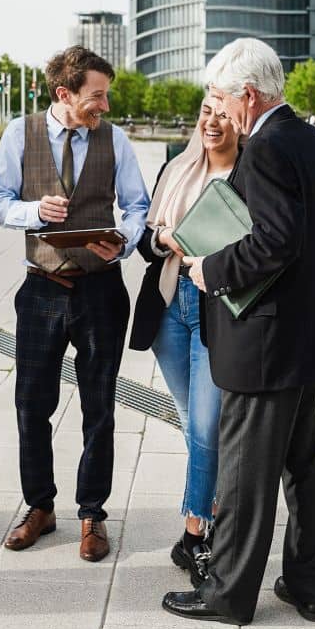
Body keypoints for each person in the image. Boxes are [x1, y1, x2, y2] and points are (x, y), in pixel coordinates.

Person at [163, 38, 315, 626]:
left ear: (249, 96)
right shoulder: (313, 140)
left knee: (245, 470)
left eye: (223, 101)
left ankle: (226, 595)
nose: (220, 112)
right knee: (302, 466)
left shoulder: (266, 147)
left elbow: (277, 241)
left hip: (266, 341)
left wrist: (210, 268)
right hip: (307, 337)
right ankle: (309, 585)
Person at [0, 46, 150, 562]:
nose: (104, 105)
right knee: (31, 405)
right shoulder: (20, 133)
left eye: (106, 95)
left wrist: (122, 239)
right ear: (65, 93)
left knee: (99, 407)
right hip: (41, 290)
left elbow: (137, 204)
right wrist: (35, 210)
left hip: (101, 290)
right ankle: (40, 506)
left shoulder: (115, 139)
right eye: (96, 96)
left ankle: (92, 514)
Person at [132, 93, 239, 581]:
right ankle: (213, 521)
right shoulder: (178, 167)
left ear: (239, 119)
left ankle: (194, 534)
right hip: (170, 305)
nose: (212, 123)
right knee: (198, 427)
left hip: (218, 309)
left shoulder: (248, 173)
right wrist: (164, 238)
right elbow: (145, 242)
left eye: (222, 113)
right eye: (206, 112)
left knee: (205, 426)